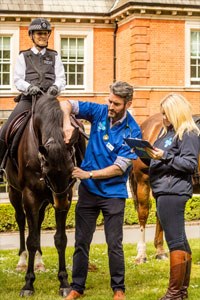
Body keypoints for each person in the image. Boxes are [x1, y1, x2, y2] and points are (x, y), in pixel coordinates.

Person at [60, 81, 142, 300]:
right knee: (81, 241)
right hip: (89, 193)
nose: (110, 106)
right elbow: (67, 103)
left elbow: (119, 168)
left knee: (114, 244)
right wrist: (67, 122)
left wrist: (89, 175)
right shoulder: (99, 112)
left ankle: (118, 289)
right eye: (109, 100)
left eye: (116, 103)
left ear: (128, 104)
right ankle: (77, 287)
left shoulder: (133, 130)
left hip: (113, 195)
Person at [145, 94, 200, 300]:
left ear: (175, 113)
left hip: (173, 191)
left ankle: (174, 293)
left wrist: (164, 156)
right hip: (164, 189)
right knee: (180, 241)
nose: (163, 118)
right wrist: (147, 154)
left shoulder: (188, 133)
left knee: (175, 241)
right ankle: (181, 292)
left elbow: (189, 164)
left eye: (166, 114)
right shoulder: (169, 132)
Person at [0, 17, 66, 182]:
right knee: (5, 129)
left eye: (45, 33)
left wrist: (55, 88)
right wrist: (29, 87)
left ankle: (81, 164)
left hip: (49, 101)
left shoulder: (54, 56)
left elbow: (61, 78)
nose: (42, 36)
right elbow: (17, 79)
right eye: (39, 33)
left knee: (74, 126)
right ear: (32, 35)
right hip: (28, 100)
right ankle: (0, 167)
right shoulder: (24, 56)